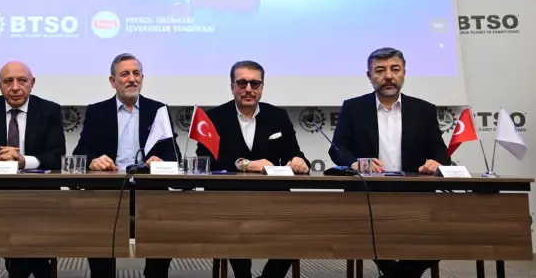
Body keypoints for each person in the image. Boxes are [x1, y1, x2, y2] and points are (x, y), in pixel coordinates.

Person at [330, 47, 448, 278]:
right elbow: (337, 148)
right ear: (369, 75)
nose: (388, 76)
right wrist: (354, 163)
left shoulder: (424, 109)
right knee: (368, 235)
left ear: (404, 73)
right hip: (368, 195)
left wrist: (436, 162)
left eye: (395, 69)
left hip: (415, 196)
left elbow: (439, 150)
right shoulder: (353, 108)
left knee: (444, 236)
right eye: (380, 70)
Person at [196, 60, 307, 278]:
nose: (248, 89)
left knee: (297, 230)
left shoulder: (277, 116)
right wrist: (243, 164)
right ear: (232, 86)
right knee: (235, 226)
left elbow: (295, 153)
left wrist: (298, 161)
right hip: (228, 200)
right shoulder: (214, 117)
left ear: (262, 87)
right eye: (242, 83)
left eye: (255, 84)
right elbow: (204, 159)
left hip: (273, 199)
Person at [73, 53, 179, 278]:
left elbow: (174, 154)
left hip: (149, 189)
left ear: (142, 78)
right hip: (109, 189)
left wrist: (161, 161)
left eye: (136, 73)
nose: (132, 79)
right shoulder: (97, 111)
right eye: (124, 74)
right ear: (113, 81)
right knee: (97, 230)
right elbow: (81, 152)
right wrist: (93, 160)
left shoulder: (158, 110)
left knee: (166, 224)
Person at [0, 61, 66, 278]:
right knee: (17, 224)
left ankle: (18, 266)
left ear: (32, 83)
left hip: (39, 194)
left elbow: (57, 157)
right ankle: (38, 268)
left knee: (27, 223)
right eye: (8, 81)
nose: (15, 87)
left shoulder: (49, 110)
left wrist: (23, 161)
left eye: (22, 81)